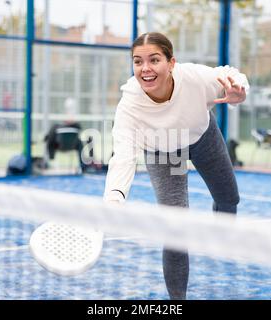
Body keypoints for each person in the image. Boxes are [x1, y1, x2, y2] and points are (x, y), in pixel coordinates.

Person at [103, 32, 249, 299]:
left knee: (229, 198)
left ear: (171, 63)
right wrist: (114, 198)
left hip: (202, 137)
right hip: (162, 151)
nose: (145, 68)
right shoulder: (129, 106)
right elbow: (123, 155)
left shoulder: (195, 78)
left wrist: (240, 92)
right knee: (176, 227)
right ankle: (177, 302)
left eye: (154, 60)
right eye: (138, 61)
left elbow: (230, 74)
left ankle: (222, 236)